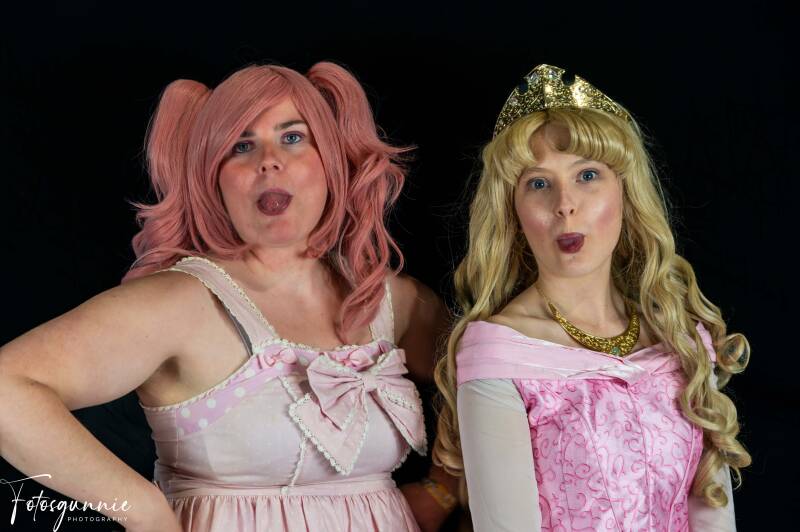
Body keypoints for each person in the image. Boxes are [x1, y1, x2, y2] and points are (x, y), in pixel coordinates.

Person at [0, 62, 457, 531]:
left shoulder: (388, 302)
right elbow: (6, 388)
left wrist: (442, 490)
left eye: (293, 137)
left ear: (332, 161)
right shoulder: (182, 302)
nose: (268, 159)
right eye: (241, 145)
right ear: (212, 177)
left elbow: (487, 382)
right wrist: (144, 511)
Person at [433, 64, 751, 531]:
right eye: (538, 183)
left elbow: (713, 513)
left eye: (587, 175)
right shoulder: (500, 354)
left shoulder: (678, 339)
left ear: (625, 193)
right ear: (514, 212)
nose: (565, 203)